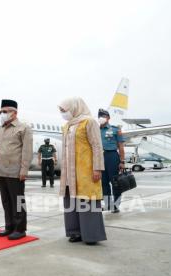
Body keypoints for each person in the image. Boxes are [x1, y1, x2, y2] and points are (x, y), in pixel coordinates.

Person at [0, 99, 33, 240]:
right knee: (6, 201)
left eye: (5, 111)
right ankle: (9, 226)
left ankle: (20, 229)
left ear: (14, 113)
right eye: (1, 111)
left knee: (17, 200)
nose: (2, 114)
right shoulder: (0, 129)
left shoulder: (24, 128)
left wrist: (24, 170)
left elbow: (27, 151)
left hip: (15, 170)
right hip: (1, 170)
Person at [59, 97, 106, 245]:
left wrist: (97, 167)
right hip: (69, 171)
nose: (63, 113)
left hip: (85, 170)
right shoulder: (67, 126)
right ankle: (75, 232)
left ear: (74, 108)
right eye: (61, 111)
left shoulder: (89, 122)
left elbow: (97, 146)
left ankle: (91, 234)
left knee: (87, 200)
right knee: (71, 200)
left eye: (64, 110)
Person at [98, 108, 126, 213]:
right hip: (100, 157)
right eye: (100, 117)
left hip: (112, 156)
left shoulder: (115, 130)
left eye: (104, 116)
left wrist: (122, 161)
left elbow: (121, 147)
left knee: (115, 182)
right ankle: (108, 204)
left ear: (108, 118)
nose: (101, 118)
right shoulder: (96, 130)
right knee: (103, 183)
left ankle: (116, 205)